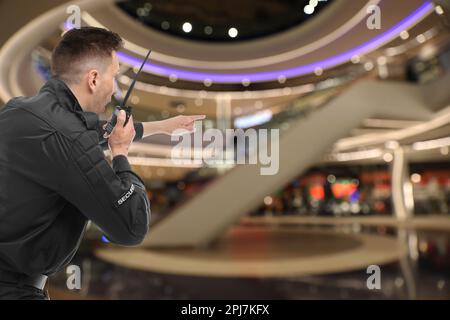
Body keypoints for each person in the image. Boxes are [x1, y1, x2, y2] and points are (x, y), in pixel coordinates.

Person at [0, 27, 204, 300]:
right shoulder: (71, 140)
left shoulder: (18, 110)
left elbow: (94, 130)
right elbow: (132, 227)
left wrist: (162, 127)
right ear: (94, 79)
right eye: (114, 75)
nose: (116, 87)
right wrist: (121, 153)